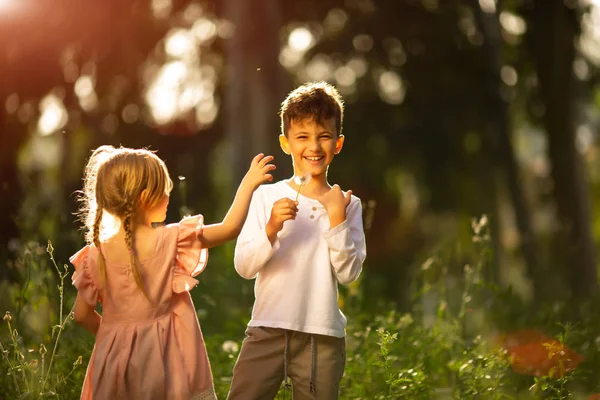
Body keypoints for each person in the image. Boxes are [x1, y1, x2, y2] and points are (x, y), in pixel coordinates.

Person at [70, 145, 275, 400]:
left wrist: (114, 333)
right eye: (164, 190)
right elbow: (229, 228)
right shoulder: (172, 239)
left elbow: (81, 315)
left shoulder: (94, 256)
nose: (169, 195)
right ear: (146, 198)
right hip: (165, 361)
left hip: (114, 366)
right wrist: (248, 185)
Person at [227, 81, 367, 400]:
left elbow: (348, 274)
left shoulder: (348, 205)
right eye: (302, 137)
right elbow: (244, 266)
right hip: (267, 328)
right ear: (286, 143)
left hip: (322, 336)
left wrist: (336, 219)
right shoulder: (267, 196)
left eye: (324, 137)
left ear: (338, 143)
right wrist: (271, 229)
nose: (314, 147)